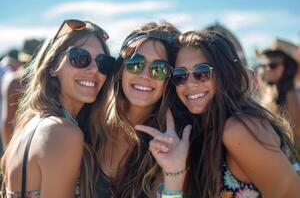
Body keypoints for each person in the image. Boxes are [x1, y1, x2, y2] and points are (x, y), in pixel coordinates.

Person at [136, 30, 300, 197]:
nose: (190, 83)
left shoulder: (239, 130)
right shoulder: (202, 133)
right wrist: (174, 175)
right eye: (180, 75)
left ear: (224, 73)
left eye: (202, 72)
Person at [1, 19, 115, 198]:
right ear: (53, 65)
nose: (94, 69)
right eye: (80, 58)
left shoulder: (29, 124)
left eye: (104, 62)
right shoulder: (62, 133)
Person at [86, 21, 180, 197]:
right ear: (121, 70)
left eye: (159, 69)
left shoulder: (174, 143)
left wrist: (174, 173)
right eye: (135, 63)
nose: (144, 75)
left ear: (169, 80)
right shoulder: (88, 123)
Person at [257, 39, 300, 150]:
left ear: (287, 68)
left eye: (273, 65)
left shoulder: (291, 95)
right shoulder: (270, 90)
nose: (266, 69)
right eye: (262, 65)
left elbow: (294, 133)